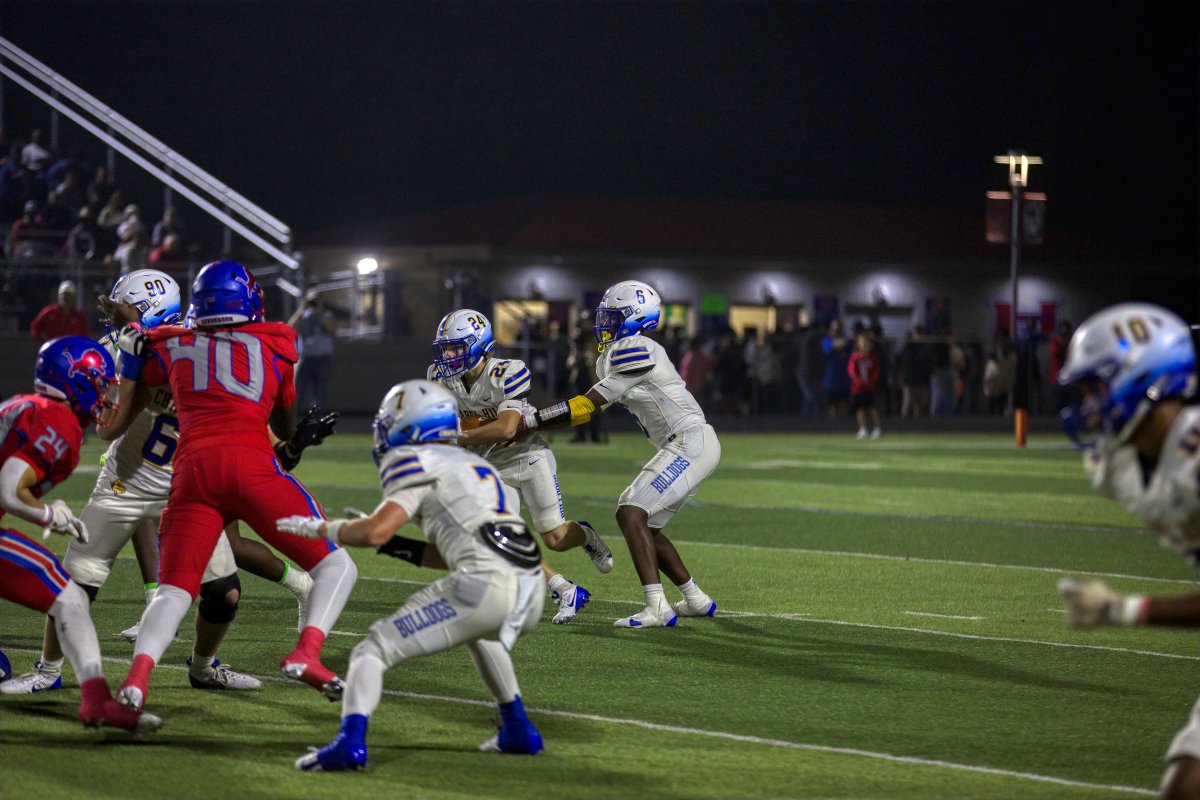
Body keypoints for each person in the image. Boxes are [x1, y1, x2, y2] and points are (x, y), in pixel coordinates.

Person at [2, 269, 314, 695]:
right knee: (76, 583)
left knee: (224, 593)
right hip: (125, 483)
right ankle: (47, 670)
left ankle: (204, 668)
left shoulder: (194, 351)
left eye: (125, 308)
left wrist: (288, 446)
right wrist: (130, 358)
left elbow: (253, 426)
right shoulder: (131, 351)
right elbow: (108, 426)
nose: (115, 317)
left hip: (187, 489)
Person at [101, 260, 358, 711]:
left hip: (192, 474)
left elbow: (139, 363)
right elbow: (284, 429)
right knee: (337, 566)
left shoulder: (170, 343)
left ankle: (136, 682)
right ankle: (306, 653)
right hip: (249, 465)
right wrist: (297, 439)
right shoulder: (277, 342)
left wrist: (131, 335)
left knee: (173, 591)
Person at [279, 379, 546, 770]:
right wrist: (395, 547)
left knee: (372, 650)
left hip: (485, 583)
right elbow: (455, 552)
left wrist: (323, 528)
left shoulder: (414, 459)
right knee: (481, 634)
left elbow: (374, 530)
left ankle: (349, 745)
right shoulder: (476, 465)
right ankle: (518, 729)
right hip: (530, 587)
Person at [1053, 303, 1200, 800]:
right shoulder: (1120, 467)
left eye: (1096, 388)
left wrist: (1124, 610)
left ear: (1143, 375)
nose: (1090, 405)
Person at [515, 280, 718, 628]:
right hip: (683, 442)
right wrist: (535, 424)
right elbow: (586, 409)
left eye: (613, 316)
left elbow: (585, 406)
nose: (604, 323)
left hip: (689, 440)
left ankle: (657, 607)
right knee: (646, 525)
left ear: (636, 318)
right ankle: (695, 598)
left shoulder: (637, 347)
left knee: (630, 512)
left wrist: (530, 421)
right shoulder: (615, 355)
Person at [0, 336, 161, 734]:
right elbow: (8, 489)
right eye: (101, 385)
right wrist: (49, 514)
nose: (106, 395)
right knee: (69, 595)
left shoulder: (23, 405)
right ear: (77, 381)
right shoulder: (56, 419)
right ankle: (97, 700)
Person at [429, 309, 613, 623]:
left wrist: (458, 436)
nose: (448, 356)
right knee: (499, 538)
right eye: (445, 349)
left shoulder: (507, 372)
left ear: (479, 345)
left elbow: (506, 429)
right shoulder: (438, 376)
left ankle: (586, 536)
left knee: (555, 539)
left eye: (456, 348)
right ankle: (564, 589)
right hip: (491, 465)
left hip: (529, 458)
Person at [288, 291, 337, 410]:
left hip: (323, 359)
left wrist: (320, 310)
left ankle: (316, 416)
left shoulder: (327, 315)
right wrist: (302, 309)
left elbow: (331, 328)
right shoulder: (303, 316)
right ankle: (296, 416)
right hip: (306, 359)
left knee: (320, 393)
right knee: (299, 391)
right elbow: (289, 328)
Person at [848, 333, 882, 439]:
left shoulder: (873, 358)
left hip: (869, 388)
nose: (864, 345)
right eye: (862, 343)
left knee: (872, 408)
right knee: (860, 408)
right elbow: (851, 370)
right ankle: (863, 429)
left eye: (866, 343)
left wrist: (871, 382)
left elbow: (876, 372)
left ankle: (877, 428)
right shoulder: (855, 357)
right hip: (858, 388)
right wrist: (858, 381)